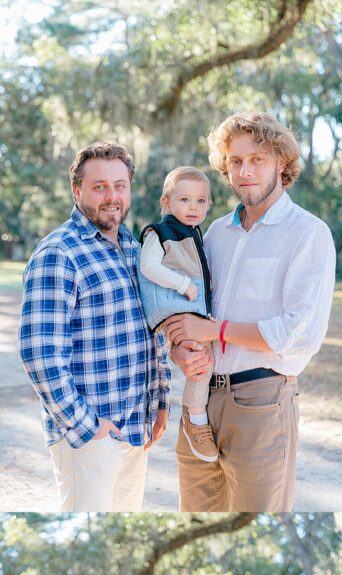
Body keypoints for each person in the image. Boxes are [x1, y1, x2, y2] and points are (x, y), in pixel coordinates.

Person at [165, 112, 336, 513]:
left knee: (255, 521)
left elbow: (298, 332)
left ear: (281, 162)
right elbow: (190, 310)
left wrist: (214, 331)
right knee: (197, 522)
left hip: (261, 403)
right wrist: (180, 346)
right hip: (200, 400)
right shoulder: (215, 233)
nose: (244, 171)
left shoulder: (308, 234)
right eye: (235, 162)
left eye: (257, 159)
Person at [19, 141, 171, 513]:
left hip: (135, 432)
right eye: (99, 186)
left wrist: (161, 401)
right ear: (77, 191)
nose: (112, 196)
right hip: (88, 439)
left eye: (120, 185)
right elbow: (39, 353)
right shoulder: (60, 252)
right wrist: (88, 427)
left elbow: (154, 333)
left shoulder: (135, 250)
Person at [138, 167, 218, 463]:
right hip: (174, 305)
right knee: (202, 360)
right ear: (167, 202)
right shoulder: (159, 232)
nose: (193, 207)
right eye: (184, 200)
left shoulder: (195, 234)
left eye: (200, 201)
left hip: (186, 305)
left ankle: (198, 414)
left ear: (209, 205)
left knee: (205, 357)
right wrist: (183, 284)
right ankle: (196, 420)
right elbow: (149, 266)